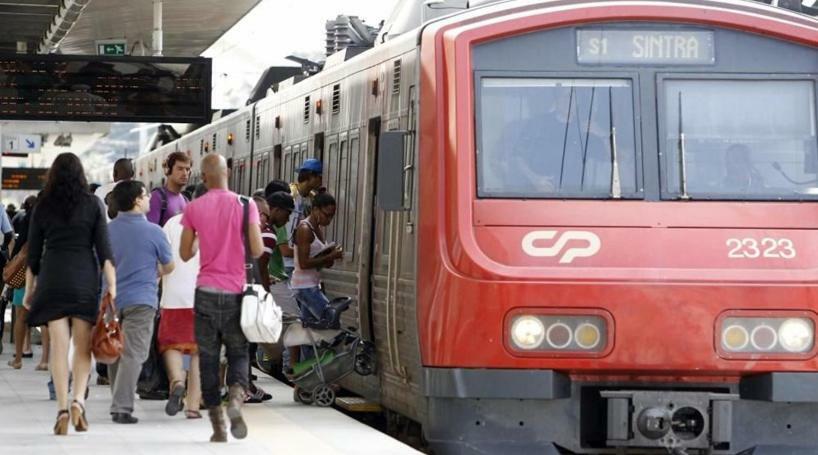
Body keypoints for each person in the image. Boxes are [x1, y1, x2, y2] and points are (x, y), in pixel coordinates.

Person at [24, 152, 116, 435]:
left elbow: (33, 255)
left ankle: (62, 408)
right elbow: (105, 253)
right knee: (83, 346)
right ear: (81, 175)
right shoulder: (93, 205)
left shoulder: (43, 205)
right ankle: (78, 400)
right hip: (83, 279)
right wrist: (112, 288)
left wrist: (29, 290)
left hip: (53, 278)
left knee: (59, 348)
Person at [180, 153, 263, 442]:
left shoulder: (194, 207)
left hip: (204, 292)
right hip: (235, 293)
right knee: (239, 352)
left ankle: (217, 426)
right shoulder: (246, 204)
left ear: (203, 177)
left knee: (208, 358)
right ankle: (237, 402)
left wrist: (204, 236)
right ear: (227, 173)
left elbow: (185, 253)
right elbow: (256, 249)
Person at [106, 181, 174, 424]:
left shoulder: (106, 230)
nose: (149, 200)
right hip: (142, 301)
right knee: (134, 353)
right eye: (145, 195)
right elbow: (169, 265)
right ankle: (122, 407)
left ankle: (118, 399)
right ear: (136, 200)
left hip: (110, 301)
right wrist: (154, 272)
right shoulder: (154, 232)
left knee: (114, 350)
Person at [158, 183, 206, 419]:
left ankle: (177, 380)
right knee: (198, 352)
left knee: (172, 345)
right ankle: (193, 407)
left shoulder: (171, 224)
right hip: (203, 298)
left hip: (173, 296)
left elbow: (162, 261)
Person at [7, 195, 49, 371]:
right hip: (49, 269)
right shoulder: (58, 216)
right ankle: (45, 359)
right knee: (46, 318)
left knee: (21, 314)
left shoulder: (29, 217)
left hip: (27, 271)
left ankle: (18, 357)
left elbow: (20, 244)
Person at [291, 192, 344, 326]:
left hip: (311, 285)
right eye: (327, 215)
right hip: (305, 287)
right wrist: (330, 256)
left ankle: (308, 348)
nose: (329, 220)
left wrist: (329, 257)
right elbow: (303, 263)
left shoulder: (316, 229)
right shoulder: (304, 229)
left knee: (309, 332)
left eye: (332, 216)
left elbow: (319, 262)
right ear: (315, 210)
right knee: (332, 322)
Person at [283, 159, 323, 276]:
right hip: (287, 261)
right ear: (311, 176)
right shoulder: (290, 194)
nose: (321, 181)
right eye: (320, 177)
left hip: (301, 257)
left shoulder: (312, 198)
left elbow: (315, 226)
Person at [148, 151, 191, 226]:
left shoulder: (186, 200)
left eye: (187, 169)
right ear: (168, 170)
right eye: (180, 169)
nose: (185, 173)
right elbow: (150, 232)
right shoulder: (156, 197)